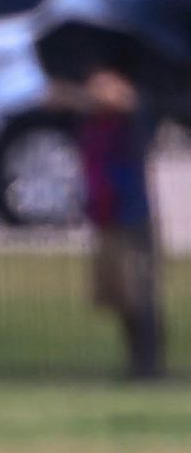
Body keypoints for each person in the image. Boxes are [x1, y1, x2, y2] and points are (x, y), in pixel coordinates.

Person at [66, 67, 165, 379]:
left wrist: (126, 100)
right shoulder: (91, 124)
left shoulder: (131, 124)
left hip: (131, 218)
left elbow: (143, 116)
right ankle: (134, 362)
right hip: (104, 219)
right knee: (119, 296)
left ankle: (148, 364)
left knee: (139, 293)